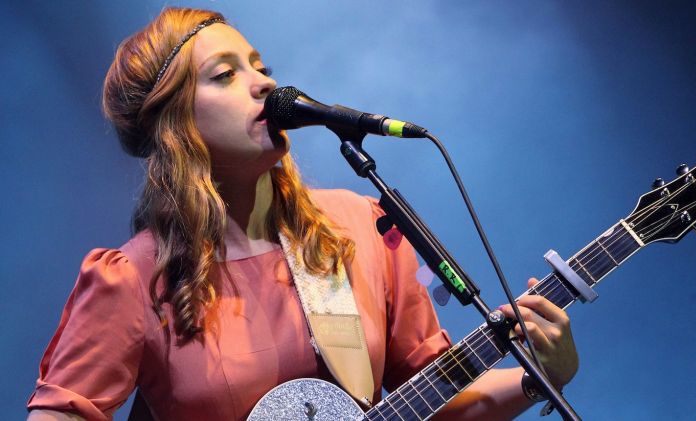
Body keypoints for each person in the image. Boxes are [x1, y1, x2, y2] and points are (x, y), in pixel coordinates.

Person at [27, 7, 578, 421]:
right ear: (175, 125)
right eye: (224, 75)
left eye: (260, 67)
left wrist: (540, 380)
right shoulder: (134, 280)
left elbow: (437, 398)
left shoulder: (359, 229)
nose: (265, 83)